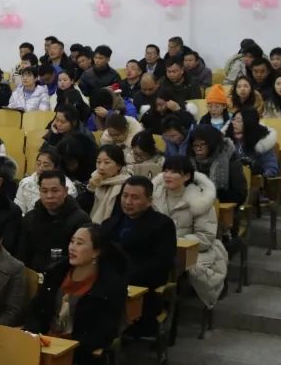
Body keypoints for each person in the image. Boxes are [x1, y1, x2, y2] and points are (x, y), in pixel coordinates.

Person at [26, 224, 126, 365]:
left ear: (96, 251)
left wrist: (65, 348)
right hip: (44, 348)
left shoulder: (109, 285)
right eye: (72, 241)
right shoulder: (56, 273)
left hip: (82, 358)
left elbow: (104, 334)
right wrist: (33, 335)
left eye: (80, 243)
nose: (72, 247)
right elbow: (36, 311)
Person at [102, 176, 176, 334]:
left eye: (135, 198)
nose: (128, 202)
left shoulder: (162, 225)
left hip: (141, 284)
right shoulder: (112, 222)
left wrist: (122, 276)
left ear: (149, 201)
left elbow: (161, 263)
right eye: (125, 196)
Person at [153, 157, 227, 308]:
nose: (167, 175)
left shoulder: (200, 200)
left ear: (186, 176)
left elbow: (205, 237)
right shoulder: (154, 195)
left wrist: (174, 242)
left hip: (192, 249)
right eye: (165, 171)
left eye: (174, 172)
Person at [19, 170, 91, 272]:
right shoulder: (30, 218)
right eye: (44, 191)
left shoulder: (81, 219)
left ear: (65, 191)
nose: (49, 196)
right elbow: (22, 254)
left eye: (55, 191)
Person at [190, 125, 247, 204]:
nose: (198, 149)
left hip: (222, 205)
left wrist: (211, 196)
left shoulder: (230, 161)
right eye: (195, 145)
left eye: (203, 144)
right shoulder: (190, 161)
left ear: (212, 144)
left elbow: (240, 196)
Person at [15, 146, 75, 214]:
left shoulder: (67, 187)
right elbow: (19, 209)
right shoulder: (25, 183)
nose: (41, 168)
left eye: (46, 165)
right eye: (38, 164)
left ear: (56, 168)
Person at [226, 107, 280, 177]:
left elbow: (272, 169)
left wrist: (259, 176)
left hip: (254, 179)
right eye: (233, 119)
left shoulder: (263, 142)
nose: (234, 123)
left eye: (239, 121)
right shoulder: (227, 138)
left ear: (250, 122)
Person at [87, 145, 131, 224]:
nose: (101, 167)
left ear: (119, 166)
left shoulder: (126, 185)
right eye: (98, 162)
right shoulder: (93, 179)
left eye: (107, 163)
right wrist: (91, 189)